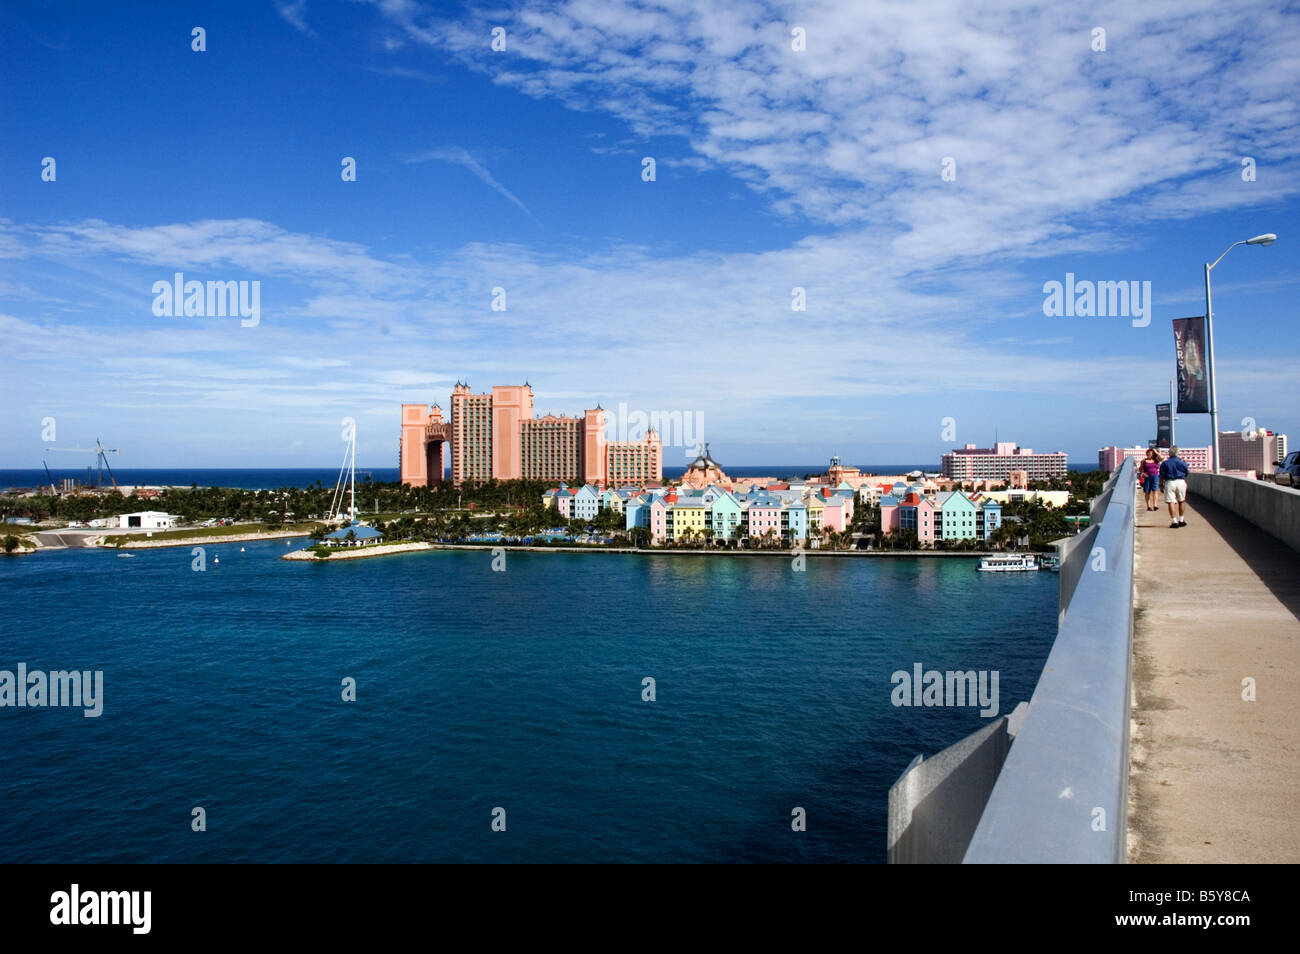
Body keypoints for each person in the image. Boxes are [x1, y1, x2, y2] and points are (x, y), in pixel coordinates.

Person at [1159, 445, 1190, 528]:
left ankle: (1174, 521)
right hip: (1180, 481)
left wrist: (1161, 485)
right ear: (1178, 453)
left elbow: (1161, 476)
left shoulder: (1165, 463)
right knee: (1181, 501)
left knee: (1171, 502)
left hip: (1169, 482)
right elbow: (1186, 473)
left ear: (1169, 453)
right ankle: (1181, 520)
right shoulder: (1182, 462)